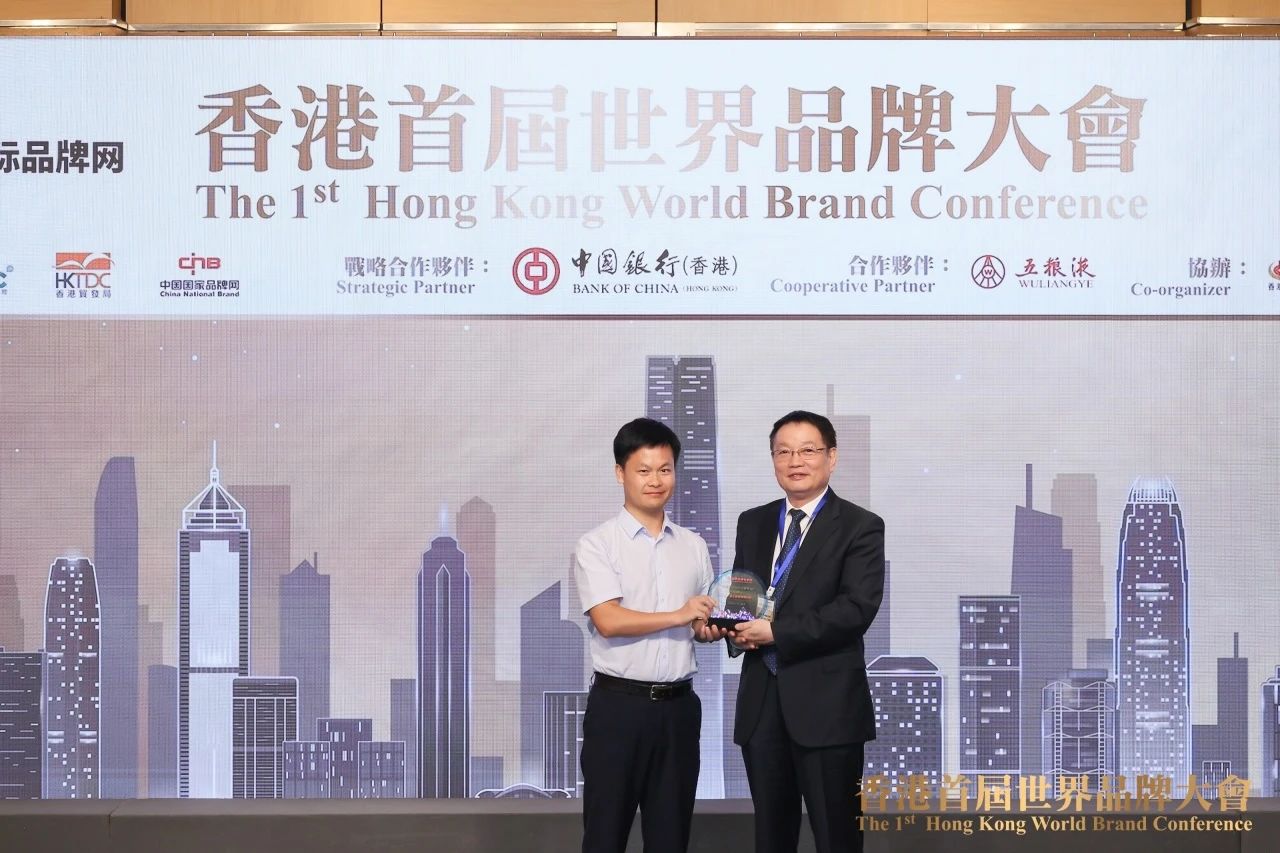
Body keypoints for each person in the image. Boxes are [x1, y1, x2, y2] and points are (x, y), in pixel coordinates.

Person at [725, 410, 885, 853]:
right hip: (762, 708)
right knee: (771, 838)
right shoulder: (753, 522)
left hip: (827, 710)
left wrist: (775, 633)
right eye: (784, 452)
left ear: (831, 457)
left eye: (808, 450)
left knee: (837, 837)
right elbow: (743, 599)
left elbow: (855, 610)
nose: (795, 461)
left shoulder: (860, 526)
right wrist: (729, 628)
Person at [573, 417, 717, 853]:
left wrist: (711, 628)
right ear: (621, 473)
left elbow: (697, 622)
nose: (656, 480)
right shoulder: (597, 544)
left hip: (679, 710)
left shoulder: (693, 545)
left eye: (665, 469)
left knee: (671, 837)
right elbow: (608, 620)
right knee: (605, 836)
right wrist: (680, 614)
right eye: (644, 470)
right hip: (619, 709)